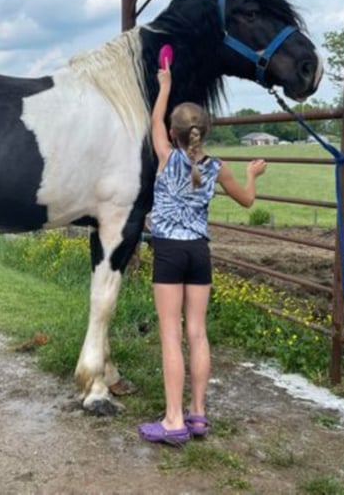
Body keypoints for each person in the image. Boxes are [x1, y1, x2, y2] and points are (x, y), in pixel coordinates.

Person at [138, 59, 267, 446]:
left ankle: (173, 421)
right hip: (199, 252)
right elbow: (246, 201)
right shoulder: (219, 168)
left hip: (169, 253)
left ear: (175, 134)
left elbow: (154, 122)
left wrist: (164, 84)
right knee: (197, 333)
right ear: (203, 133)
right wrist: (251, 176)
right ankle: (197, 414)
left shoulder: (165, 156)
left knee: (170, 335)